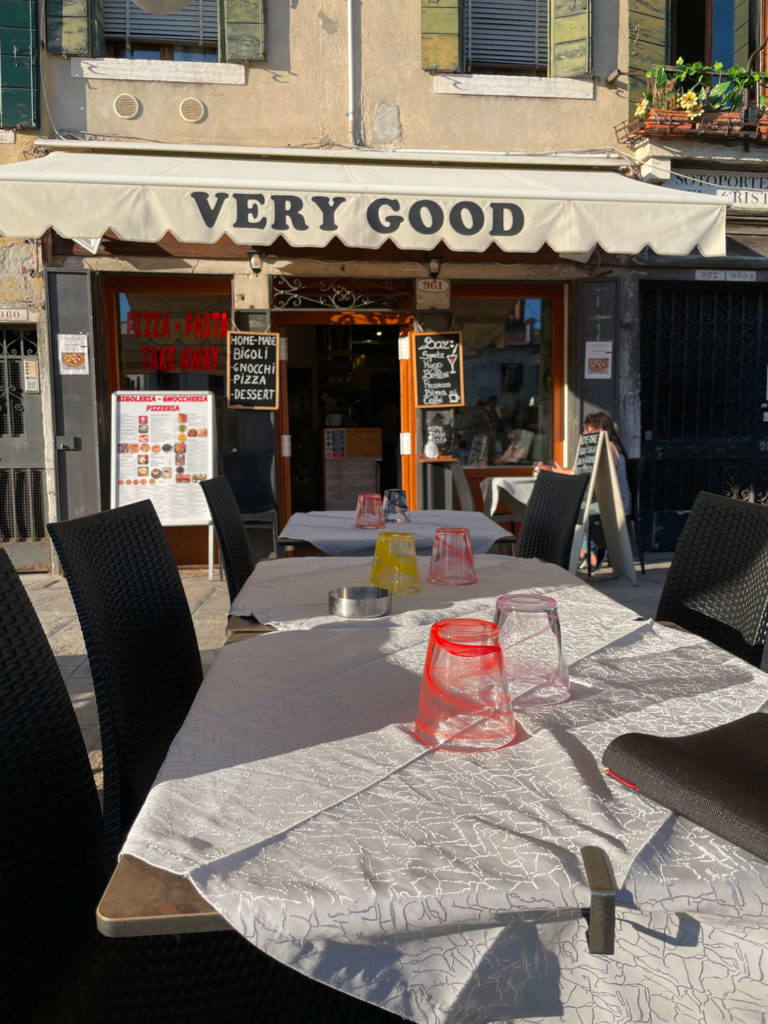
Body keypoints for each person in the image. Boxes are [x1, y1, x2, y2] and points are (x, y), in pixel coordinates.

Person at [536, 411, 631, 568]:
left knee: (569, 508)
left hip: (613, 503)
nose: (583, 433)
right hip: (606, 499)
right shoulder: (612, 446)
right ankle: (587, 551)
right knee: (571, 505)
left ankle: (588, 552)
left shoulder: (607, 448)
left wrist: (553, 471)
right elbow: (583, 471)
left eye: (586, 429)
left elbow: (586, 473)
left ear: (598, 428)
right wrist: (563, 470)